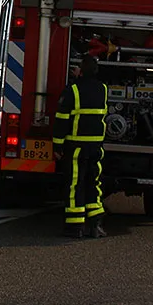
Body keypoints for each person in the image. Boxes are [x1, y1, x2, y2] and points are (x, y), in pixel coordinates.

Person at [53, 55, 108, 239]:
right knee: (94, 184)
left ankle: (75, 227)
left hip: (76, 147)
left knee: (75, 185)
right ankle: (96, 225)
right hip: (96, 147)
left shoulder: (73, 90)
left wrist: (58, 145)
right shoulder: (103, 89)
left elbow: (62, 119)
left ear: (80, 71)